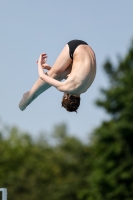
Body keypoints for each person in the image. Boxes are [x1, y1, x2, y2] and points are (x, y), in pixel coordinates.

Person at [19, 39, 96, 112]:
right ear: (66, 98)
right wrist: (39, 62)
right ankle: (28, 97)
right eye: (63, 95)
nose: (63, 93)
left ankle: (29, 97)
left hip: (87, 48)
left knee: (60, 75)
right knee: (54, 76)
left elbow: (71, 76)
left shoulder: (84, 89)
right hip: (74, 48)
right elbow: (42, 76)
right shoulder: (67, 87)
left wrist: (48, 67)